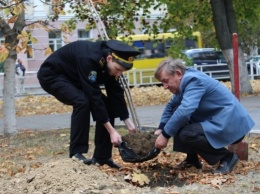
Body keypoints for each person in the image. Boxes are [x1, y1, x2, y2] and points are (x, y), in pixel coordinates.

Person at [37, 40, 140, 169]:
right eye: (118, 70)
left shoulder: (111, 63)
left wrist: (128, 122)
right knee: (82, 102)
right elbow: (93, 95)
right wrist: (112, 131)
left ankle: (102, 157)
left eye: (122, 71)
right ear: (109, 58)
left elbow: (115, 91)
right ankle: (76, 153)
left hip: (76, 79)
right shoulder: (89, 58)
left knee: (107, 105)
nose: (119, 74)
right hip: (53, 76)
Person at [154, 58, 255, 174]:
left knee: (186, 131)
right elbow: (171, 106)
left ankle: (227, 157)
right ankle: (192, 160)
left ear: (178, 73)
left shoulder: (193, 80)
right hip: (220, 120)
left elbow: (185, 111)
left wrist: (166, 135)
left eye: (166, 81)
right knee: (177, 115)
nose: (164, 86)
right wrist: (161, 128)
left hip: (231, 123)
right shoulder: (184, 82)